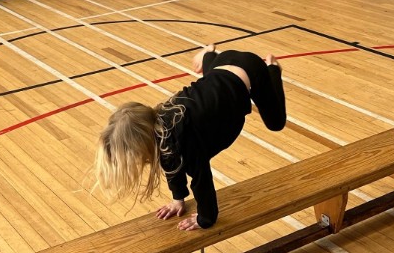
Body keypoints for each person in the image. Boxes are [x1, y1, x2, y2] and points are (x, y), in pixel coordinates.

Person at [94, 44, 286, 230]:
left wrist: (205, 219)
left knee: (276, 123)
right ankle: (208, 54)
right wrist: (178, 200)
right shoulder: (159, 127)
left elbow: (202, 178)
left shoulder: (183, 138)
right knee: (211, 80)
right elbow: (170, 163)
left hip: (250, 68)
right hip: (221, 66)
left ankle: (273, 69)